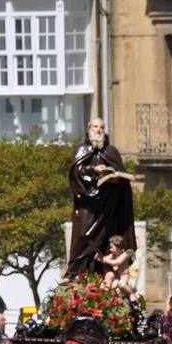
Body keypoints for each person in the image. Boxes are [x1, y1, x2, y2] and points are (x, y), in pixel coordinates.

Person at [64, 117, 136, 279]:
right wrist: (93, 170)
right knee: (83, 236)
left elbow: (121, 179)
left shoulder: (111, 151)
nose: (99, 130)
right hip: (86, 206)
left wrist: (115, 179)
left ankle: (100, 276)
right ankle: (75, 273)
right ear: (89, 129)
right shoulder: (81, 150)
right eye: (95, 127)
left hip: (107, 207)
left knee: (105, 241)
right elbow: (75, 174)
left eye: (102, 127)